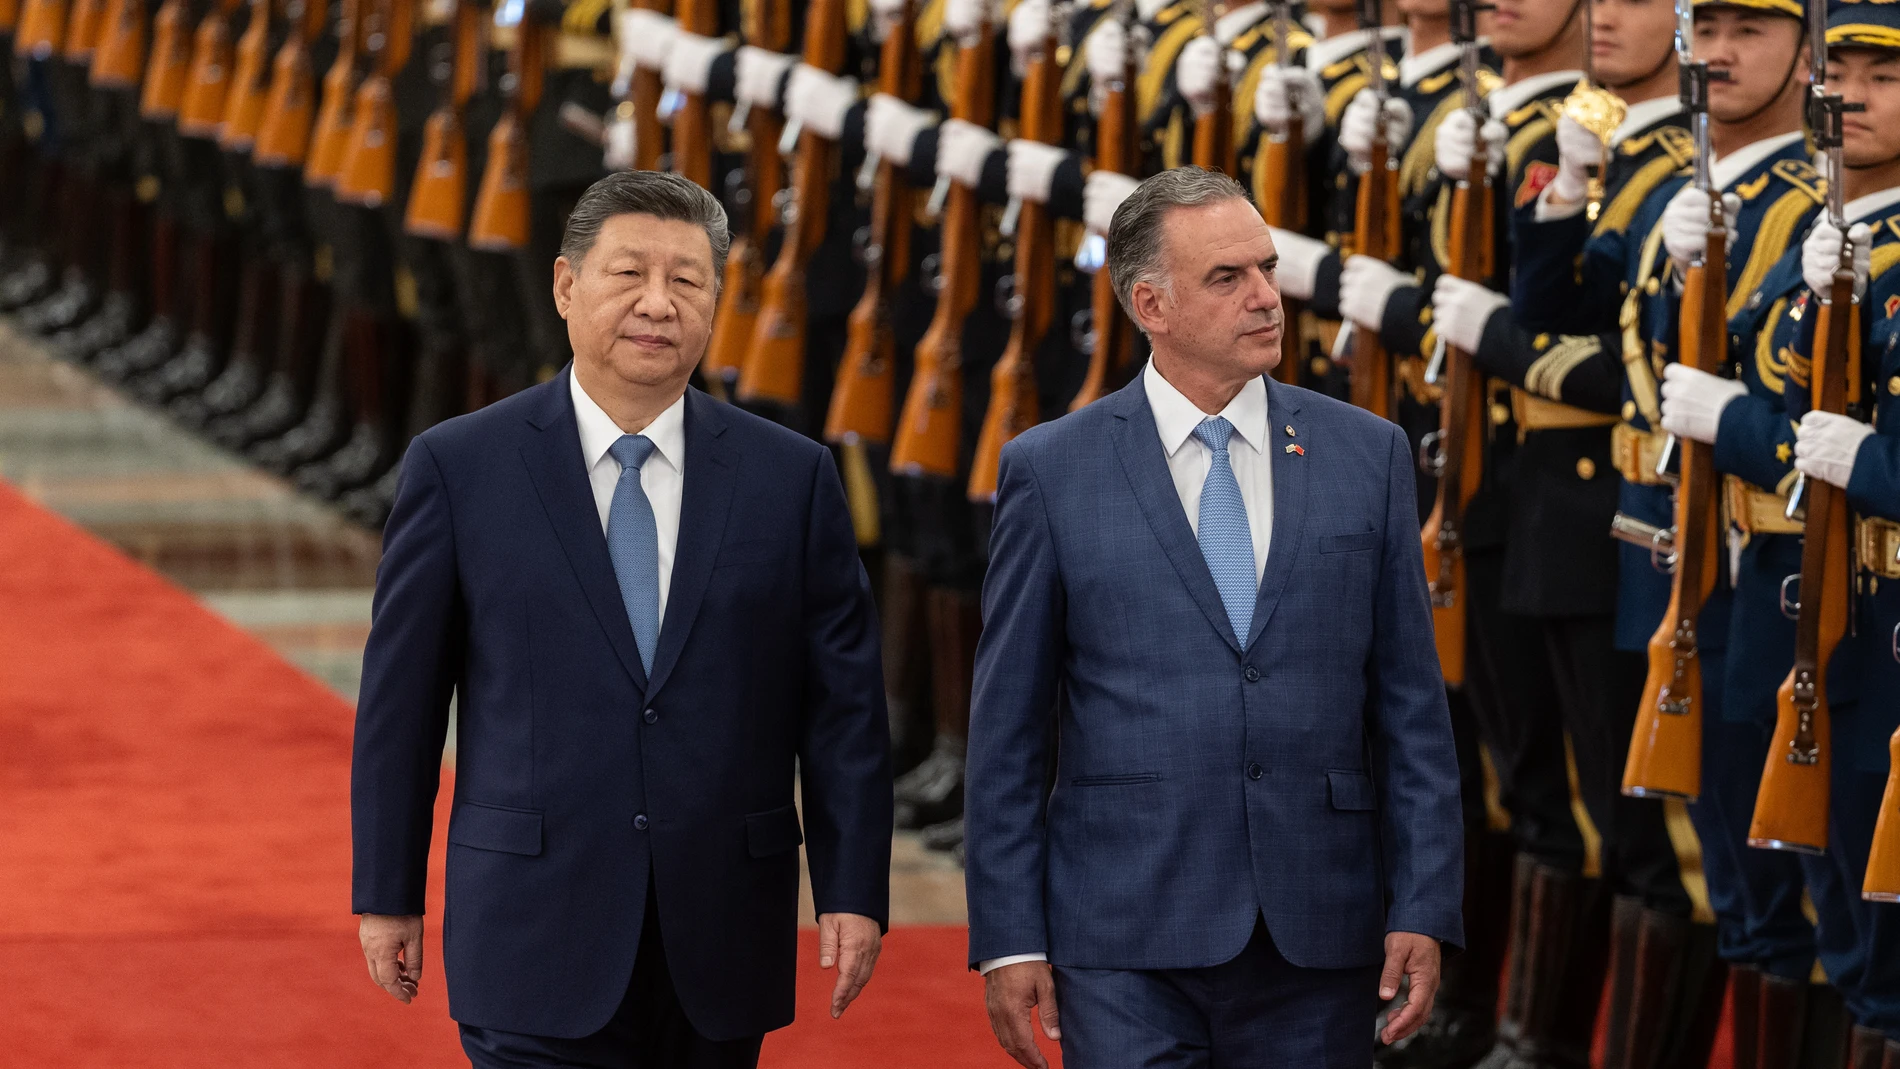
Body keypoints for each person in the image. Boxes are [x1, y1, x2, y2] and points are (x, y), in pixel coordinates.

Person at [349, 170, 894, 1068]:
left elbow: (844, 710)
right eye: (628, 274)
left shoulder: (789, 478)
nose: (658, 304)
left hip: (722, 928)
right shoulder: (461, 466)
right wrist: (386, 889)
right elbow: (401, 706)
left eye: (687, 281)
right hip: (532, 924)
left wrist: (852, 888)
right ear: (566, 285)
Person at [964, 165, 1465, 1069]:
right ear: (1150, 303)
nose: (1268, 297)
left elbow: (1411, 710)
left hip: (1319, 927)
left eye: (1268, 269)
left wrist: (1425, 904)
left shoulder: (1369, 454)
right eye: (1227, 278)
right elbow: (1007, 729)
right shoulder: (1052, 469)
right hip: (1122, 930)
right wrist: (1008, 935)